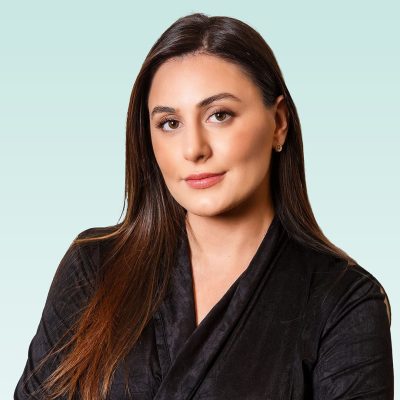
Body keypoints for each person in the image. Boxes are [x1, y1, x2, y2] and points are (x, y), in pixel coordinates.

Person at [14, 12, 394, 400]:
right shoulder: (94, 268)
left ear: (279, 122)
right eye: (170, 123)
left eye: (219, 115)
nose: (194, 149)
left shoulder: (343, 301)